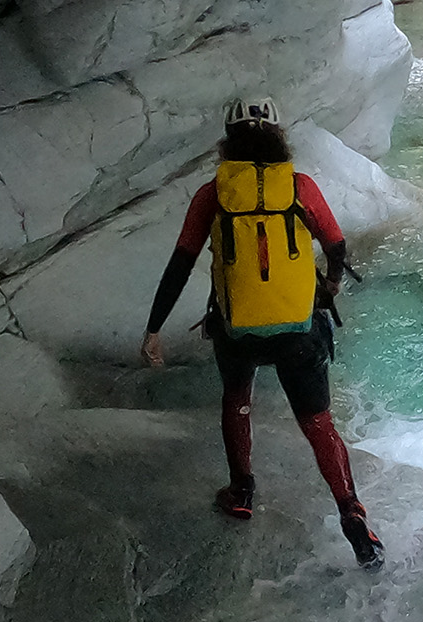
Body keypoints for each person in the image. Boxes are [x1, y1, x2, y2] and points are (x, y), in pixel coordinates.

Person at [140, 97, 384, 571]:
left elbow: (181, 264)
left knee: (237, 399)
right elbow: (336, 243)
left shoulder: (212, 194)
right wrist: (330, 284)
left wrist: (153, 329)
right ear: (279, 138)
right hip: (299, 331)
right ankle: (352, 514)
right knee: (317, 423)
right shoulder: (299, 187)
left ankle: (242, 491)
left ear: (227, 143)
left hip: (237, 332)